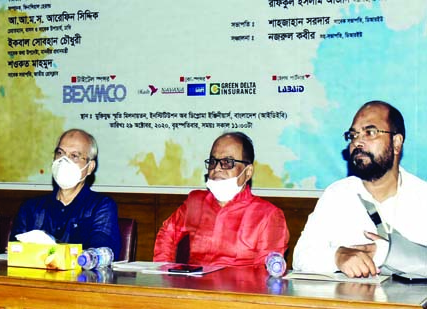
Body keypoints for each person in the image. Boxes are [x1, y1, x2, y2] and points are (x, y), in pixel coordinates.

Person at [294, 101, 427, 278]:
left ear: (396, 142)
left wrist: (387, 253)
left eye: (370, 132)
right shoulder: (337, 195)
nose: (357, 142)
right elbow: (300, 258)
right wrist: (337, 257)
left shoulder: (421, 196)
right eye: (353, 135)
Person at [153, 132, 289, 267]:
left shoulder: (268, 215)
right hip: (193, 286)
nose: (217, 168)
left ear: (248, 172)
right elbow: (167, 234)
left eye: (227, 162)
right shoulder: (196, 202)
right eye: (213, 161)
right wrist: (165, 273)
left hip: (238, 288)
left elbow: (265, 274)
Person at [10, 129, 121, 254]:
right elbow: (15, 253)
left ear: (90, 167)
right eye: (60, 153)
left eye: (74, 156)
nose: (64, 161)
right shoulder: (31, 208)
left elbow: (97, 255)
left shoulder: (101, 206)